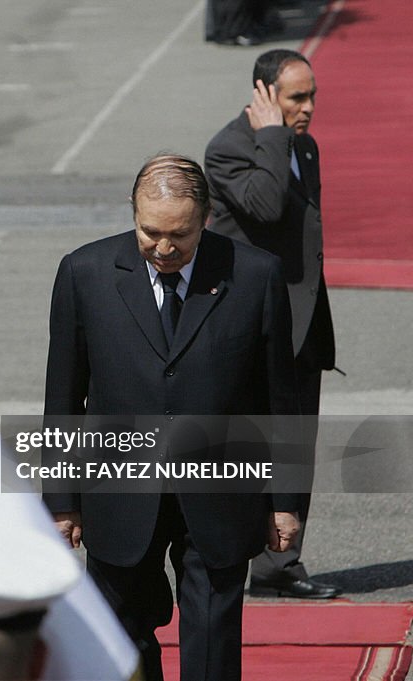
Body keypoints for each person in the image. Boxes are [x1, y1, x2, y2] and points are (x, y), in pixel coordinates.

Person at [43, 154, 302, 681]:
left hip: (221, 489)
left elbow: (281, 399)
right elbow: (63, 396)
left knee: (212, 638)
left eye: (178, 235)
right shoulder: (84, 273)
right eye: (150, 232)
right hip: (118, 492)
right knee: (121, 636)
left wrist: (287, 502)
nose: (163, 248)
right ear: (133, 213)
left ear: (205, 217)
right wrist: (62, 500)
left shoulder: (255, 276)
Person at [205, 49, 339, 599]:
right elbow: (263, 207)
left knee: (293, 447)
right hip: (250, 326)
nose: (307, 108)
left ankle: (280, 566)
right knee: (246, 446)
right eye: (295, 98)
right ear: (263, 95)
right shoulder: (229, 148)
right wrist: (274, 135)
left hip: (301, 323)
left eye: (312, 96)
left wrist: (285, 138)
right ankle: (226, 557)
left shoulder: (303, 146)